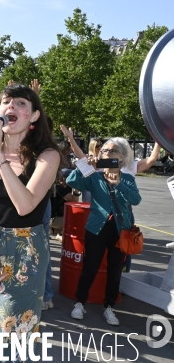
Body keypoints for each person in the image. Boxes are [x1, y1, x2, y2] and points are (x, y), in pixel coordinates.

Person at [0, 83, 62, 358]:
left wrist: (0, 155)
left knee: (11, 343)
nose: (11, 106)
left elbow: (25, 205)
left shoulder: (47, 156)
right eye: (6, 102)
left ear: (34, 116)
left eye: (21, 103)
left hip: (26, 255)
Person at [67, 138, 141, 326]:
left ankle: (109, 306)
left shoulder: (128, 179)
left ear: (122, 157)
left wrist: (119, 184)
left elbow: (136, 199)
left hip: (120, 230)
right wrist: (84, 166)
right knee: (90, 266)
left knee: (115, 270)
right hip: (96, 228)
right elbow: (71, 180)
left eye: (113, 151)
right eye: (105, 151)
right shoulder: (95, 176)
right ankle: (80, 302)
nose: (108, 154)